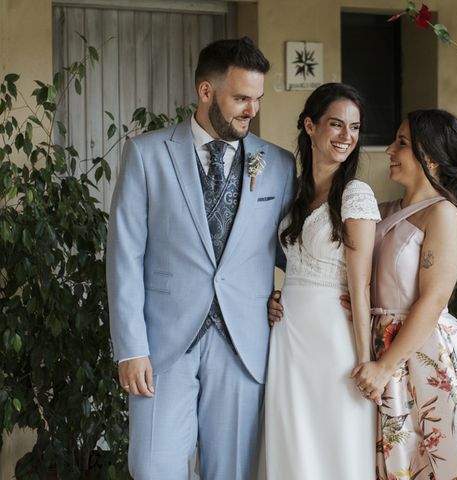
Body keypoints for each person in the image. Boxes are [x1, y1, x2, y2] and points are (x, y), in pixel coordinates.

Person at [106, 37, 296, 479]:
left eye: (258, 99)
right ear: (206, 91)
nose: (252, 110)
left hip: (243, 344)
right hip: (163, 346)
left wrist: (296, 300)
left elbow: (296, 253)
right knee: (153, 468)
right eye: (241, 98)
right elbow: (124, 256)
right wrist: (130, 348)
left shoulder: (279, 164)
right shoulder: (147, 154)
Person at [351, 109, 457, 479]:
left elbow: (433, 299)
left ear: (432, 158)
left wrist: (385, 366)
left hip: (421, 352)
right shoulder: (383, 210)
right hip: (377, 345)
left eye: (402, 143)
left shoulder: (442, 214)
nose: (390, 150)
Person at [263, 83, 380, 480]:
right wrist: (272, 295)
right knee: (291, 446)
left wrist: (366, 359)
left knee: (337, 448)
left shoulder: (356, 194)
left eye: (355, 127)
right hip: (287, 337)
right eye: (336, 124)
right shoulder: (294, 194)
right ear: (310, 127)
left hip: (335, 343)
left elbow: (361, 285)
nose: (346, 136)